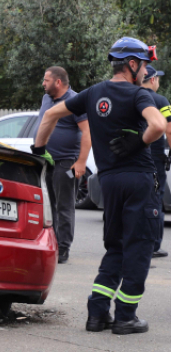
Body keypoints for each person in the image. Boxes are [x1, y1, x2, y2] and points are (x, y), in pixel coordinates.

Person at [33, 37, 165, 335]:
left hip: (109, 182)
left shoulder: (93, 93)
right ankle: (126, 317)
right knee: (140, 247)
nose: (146, 72)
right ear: (132, 64)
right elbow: (157, 125)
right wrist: (139, 141)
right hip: (138, 180)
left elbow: (51, 114)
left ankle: (97, 314)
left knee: (115, 247)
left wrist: (39, 151)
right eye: (144, 66)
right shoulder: (137, 95)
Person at [33, 66, 91, 264]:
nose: (43, 83)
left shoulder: (75, 102)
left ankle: (63, 248)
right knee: (47, 206)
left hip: (66, 161)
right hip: (45, 160)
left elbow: (87, 132)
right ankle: (51, 243)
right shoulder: (46, 99)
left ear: (58, 82)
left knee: (64, 207)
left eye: (46, 80)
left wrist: (81, 162)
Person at [140, 64, 170, 258]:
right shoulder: (161, 101)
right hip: (154, 159)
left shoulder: (130, 96)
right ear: (152, 80)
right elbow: (168, 129)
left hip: (134, 156)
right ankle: (153, 245)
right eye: (157, 78)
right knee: (155, 199)